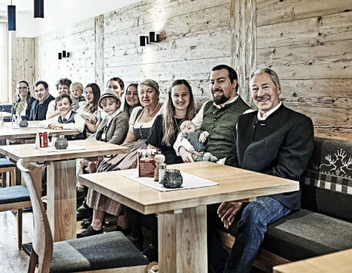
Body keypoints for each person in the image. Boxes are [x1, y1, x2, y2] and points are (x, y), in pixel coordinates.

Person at [208, 68, 314, 273]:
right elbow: (233, 159)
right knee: (200, 206)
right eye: (255, 88)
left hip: (280, 194)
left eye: (265, 87)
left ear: (278, 89)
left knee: (253, 213)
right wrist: (227, 190)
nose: (260, 93)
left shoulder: (298, 122)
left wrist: (245, 197)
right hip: (244, 188)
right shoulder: (244, 121)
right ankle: (219, 266)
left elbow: (287, 173)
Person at [78, 79, 163, 236]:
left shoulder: (163, 111)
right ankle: (96, 223)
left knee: (118, 172)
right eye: (142, 92)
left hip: (150, 151)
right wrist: (116, 153)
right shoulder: (137, 111)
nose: (145, 96)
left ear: (157, 93)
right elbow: (128, 139)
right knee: (104, 167)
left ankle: (122, 222)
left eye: (149, 92)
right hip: (132, 148)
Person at [131, 79, 196, 261]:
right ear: (170, 97)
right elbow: (151, 148)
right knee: (138, 190)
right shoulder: (162, 119)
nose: (180, 99)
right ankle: (141, 242)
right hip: (162, 166)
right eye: (176, 95)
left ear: (190, 97)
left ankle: (161, 248)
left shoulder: (195, 120)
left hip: (186, 170)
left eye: (184, 95)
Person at [174, 64, 251, 163]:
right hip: (195, 165)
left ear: (233, 83)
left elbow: (242, 154)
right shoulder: (207, 106)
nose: (215, 87)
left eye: (221, 81)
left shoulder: (246, 113)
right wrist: (182, 150)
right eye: (212, 82)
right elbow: (184, 132)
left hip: (223, 170)